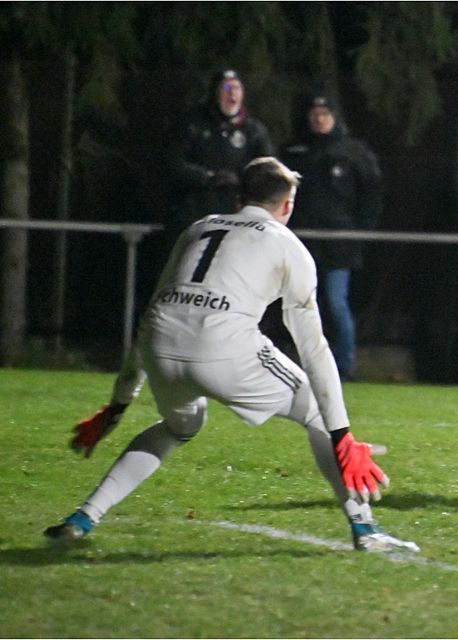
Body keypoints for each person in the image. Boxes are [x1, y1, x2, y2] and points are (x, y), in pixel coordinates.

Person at [44, 158, 418, 553]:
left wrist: (117, 405)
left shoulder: (199, 227)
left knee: (178, 427)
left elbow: (157, 309)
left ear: (240, 198)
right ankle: (365, 529)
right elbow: (314, 348)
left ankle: (84, 516)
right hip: (221, 346)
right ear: (288, 205)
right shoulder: (288, 244)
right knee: (316, 410)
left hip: (159, 343)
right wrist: (343, 436)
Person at [280, 90, 383, 381]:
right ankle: (302, 363)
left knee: (336, 303)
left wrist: (360, 233)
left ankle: (345, 365)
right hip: (302, 242)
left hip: (340, 242)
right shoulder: (295, 151)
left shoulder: (353, 152)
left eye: (324, 115)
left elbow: (372, 195)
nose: (319, 120)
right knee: (301, 303)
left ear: (334, 117)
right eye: (314, 116)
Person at [167, 70, 274, 234]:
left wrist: (240, 180)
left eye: (237, 88)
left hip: (238, 216)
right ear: (215, 92)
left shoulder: (254, 131)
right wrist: (207, 177)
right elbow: (173, 162)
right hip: (196, 213)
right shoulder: (192, 124)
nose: (232, 93)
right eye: (226, 88)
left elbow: (268, 170)